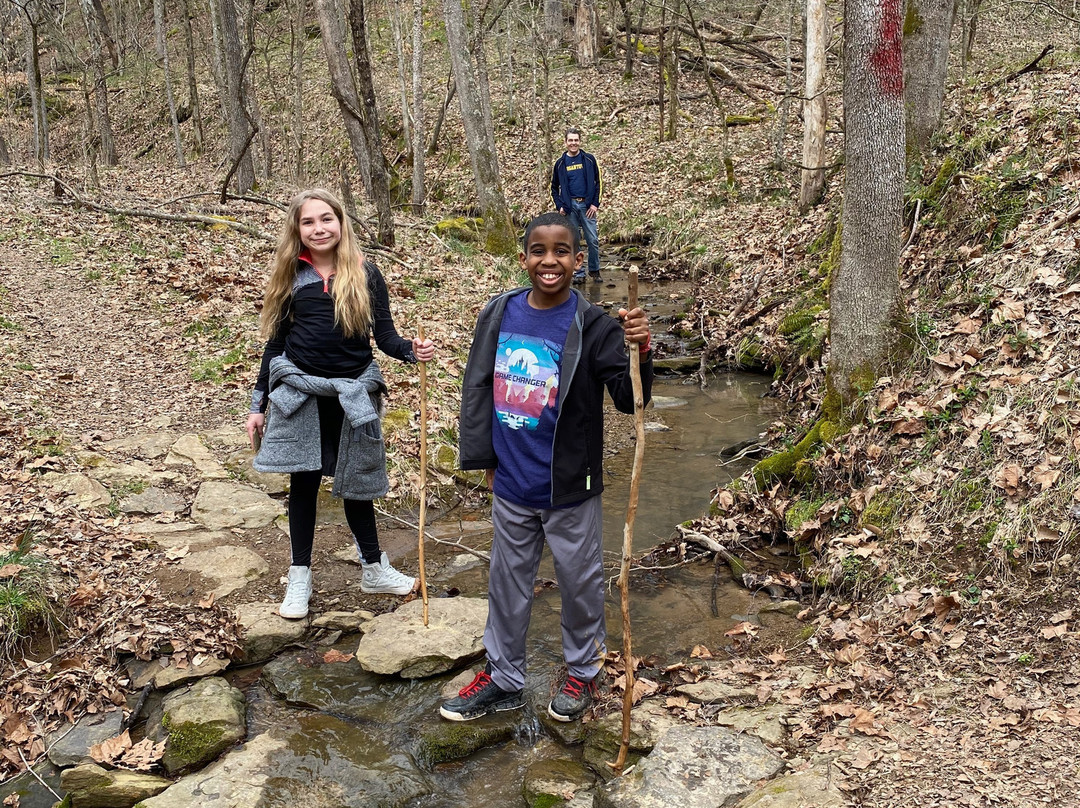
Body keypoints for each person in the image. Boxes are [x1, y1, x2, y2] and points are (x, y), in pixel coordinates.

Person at [440, 211, 652, 723]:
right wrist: (483, 457)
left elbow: (628, 400)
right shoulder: (500, 312)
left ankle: (582, 671)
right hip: (512, 480)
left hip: (570, 487)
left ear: (579, 261)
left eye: (562, 251)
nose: (549, 260)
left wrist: (640, 350)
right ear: (524, 258)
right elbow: (478, 387)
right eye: (539, 251)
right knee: (506, 582)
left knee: (579, 582)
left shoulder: (596, 325)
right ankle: (505, 676)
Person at [246, 189, 435, 620]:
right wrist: (258, 404)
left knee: (357, 480)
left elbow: (384, 338)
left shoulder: (366, 273)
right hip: (300, 395)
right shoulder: (290, 277)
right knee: (304, 484)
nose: (319, 228)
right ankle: (299, 578)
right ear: (297, 229)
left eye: (326, 219)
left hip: (354, 394)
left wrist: (411, 349)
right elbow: (274, 347)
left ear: (341, 221)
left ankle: (373, 568)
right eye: (308, 222)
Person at [550, 127, 603, 285]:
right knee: (573, 241)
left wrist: (594, 204)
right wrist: (560, 205)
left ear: (580, 141)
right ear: (565, 142)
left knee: (592, 239)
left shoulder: (589, 160)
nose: (573, 143)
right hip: (569, 207)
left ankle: (594, 270)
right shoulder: (560, 164)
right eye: (570, 140)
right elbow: (553, 188)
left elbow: (599, 182)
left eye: (576, 140)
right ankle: (578, 272)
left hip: (587, 206)